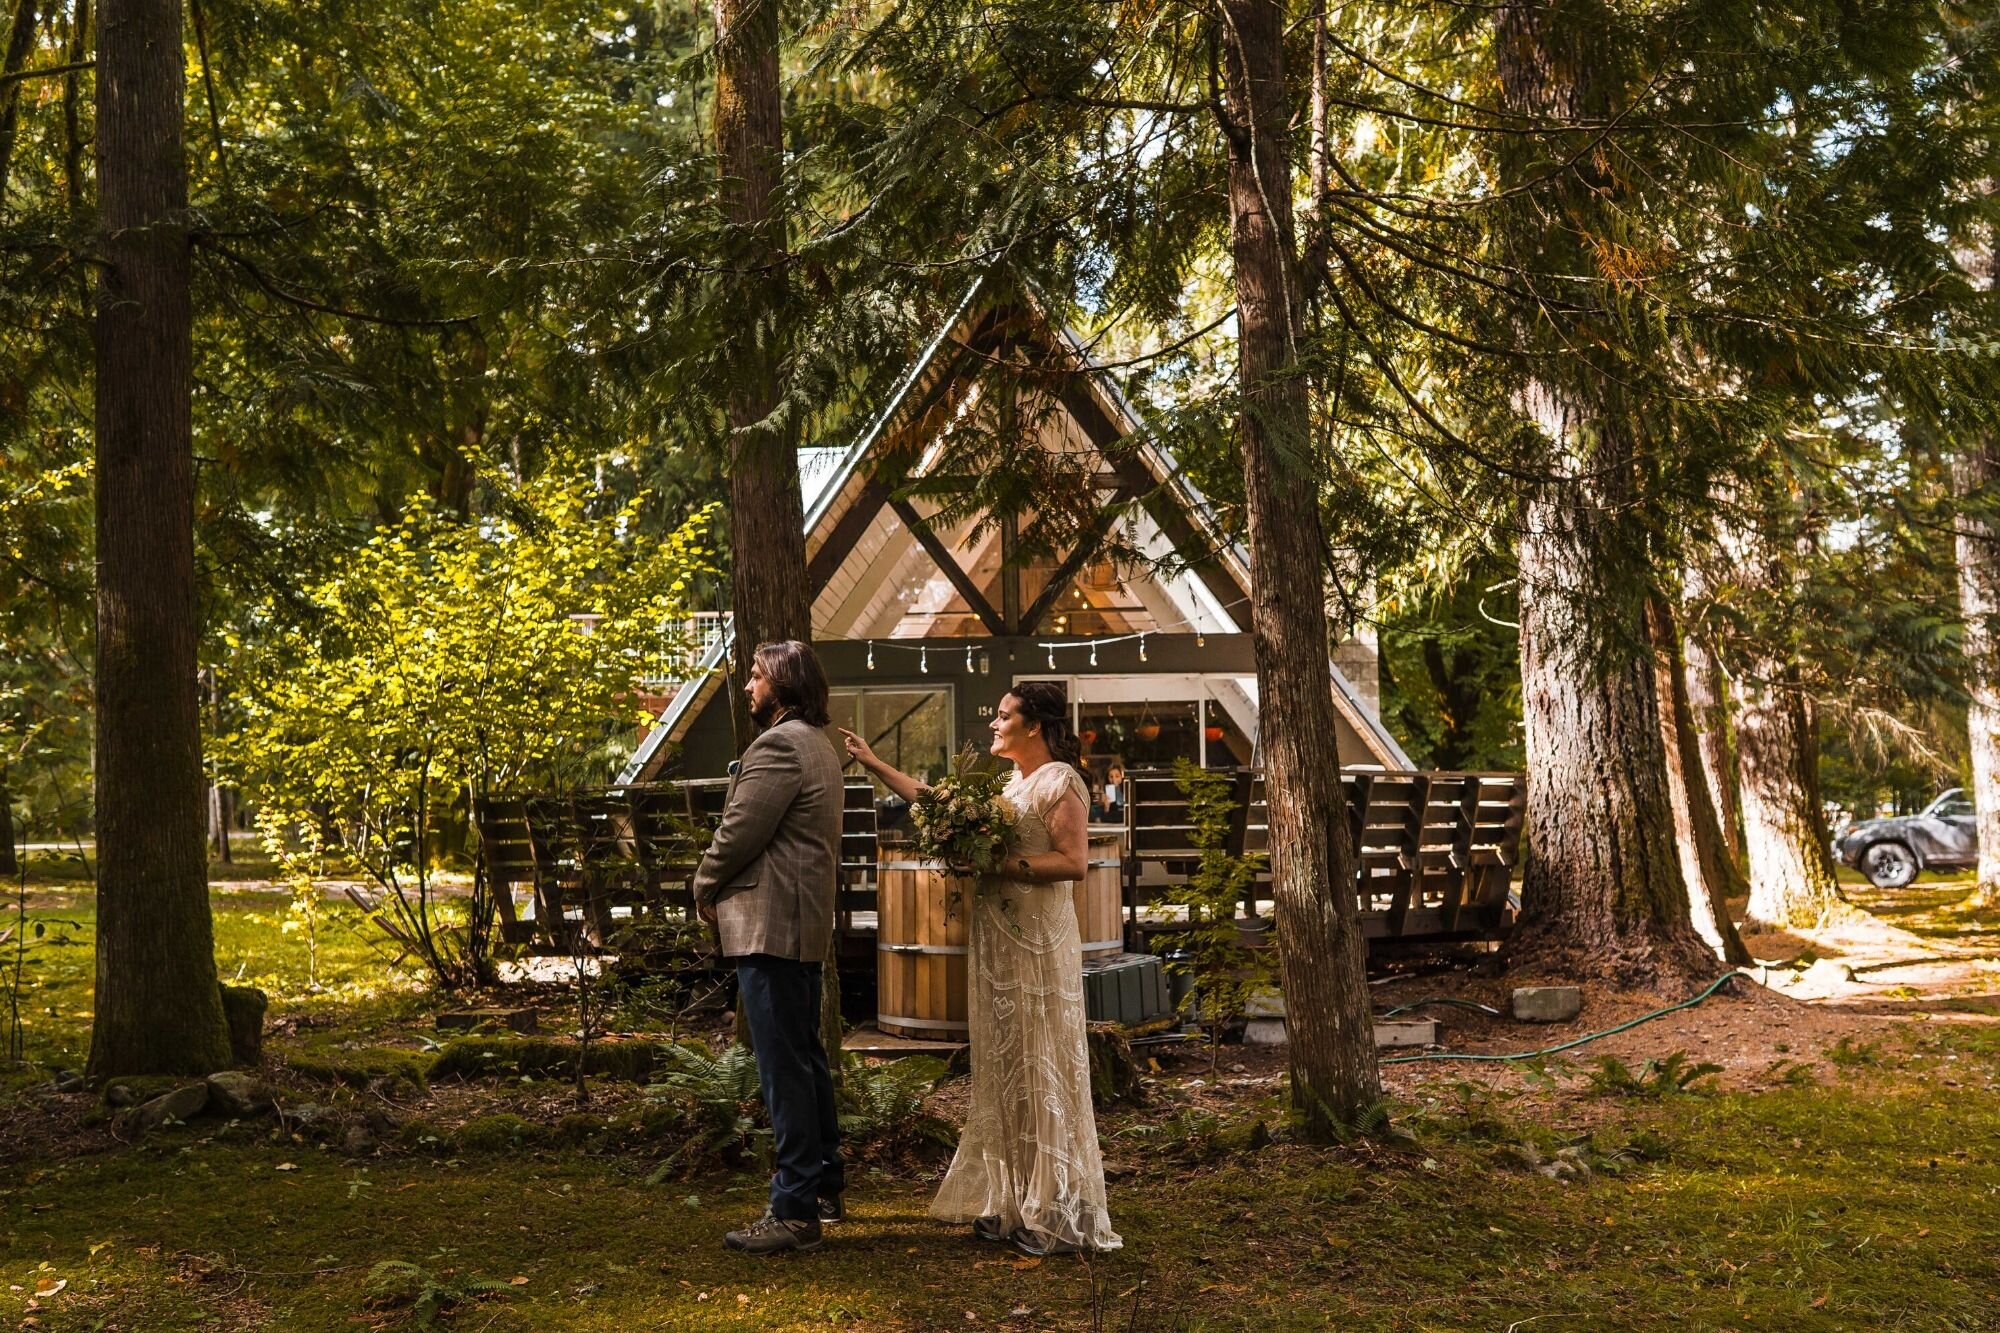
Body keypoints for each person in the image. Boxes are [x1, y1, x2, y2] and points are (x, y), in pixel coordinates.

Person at [840, 681, 1122, 1256]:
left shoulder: (1060, 781)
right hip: (997, 940)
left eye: (1002, 716)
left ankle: (1055, 1208)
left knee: (1040, 1061)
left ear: (1034, 725)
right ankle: (1012, 1199)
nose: (993, 725)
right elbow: (932, 798)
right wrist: (874, 763)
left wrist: (999, 860)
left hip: (1038, 945)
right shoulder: (1007, 785)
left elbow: (1073, 864)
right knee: (1005, 1064)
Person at [693, 640, 846, 1255]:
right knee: (804, 1062)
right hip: (799, 926)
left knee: (783, 1069)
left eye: (756, 677)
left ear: (781, 686)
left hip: (770, 925)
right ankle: (824, 1188)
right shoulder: (821, 747)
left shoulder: (780, 745)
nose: (748, 686)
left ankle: (794, 1211)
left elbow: (739, 832)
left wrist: (704, 882)